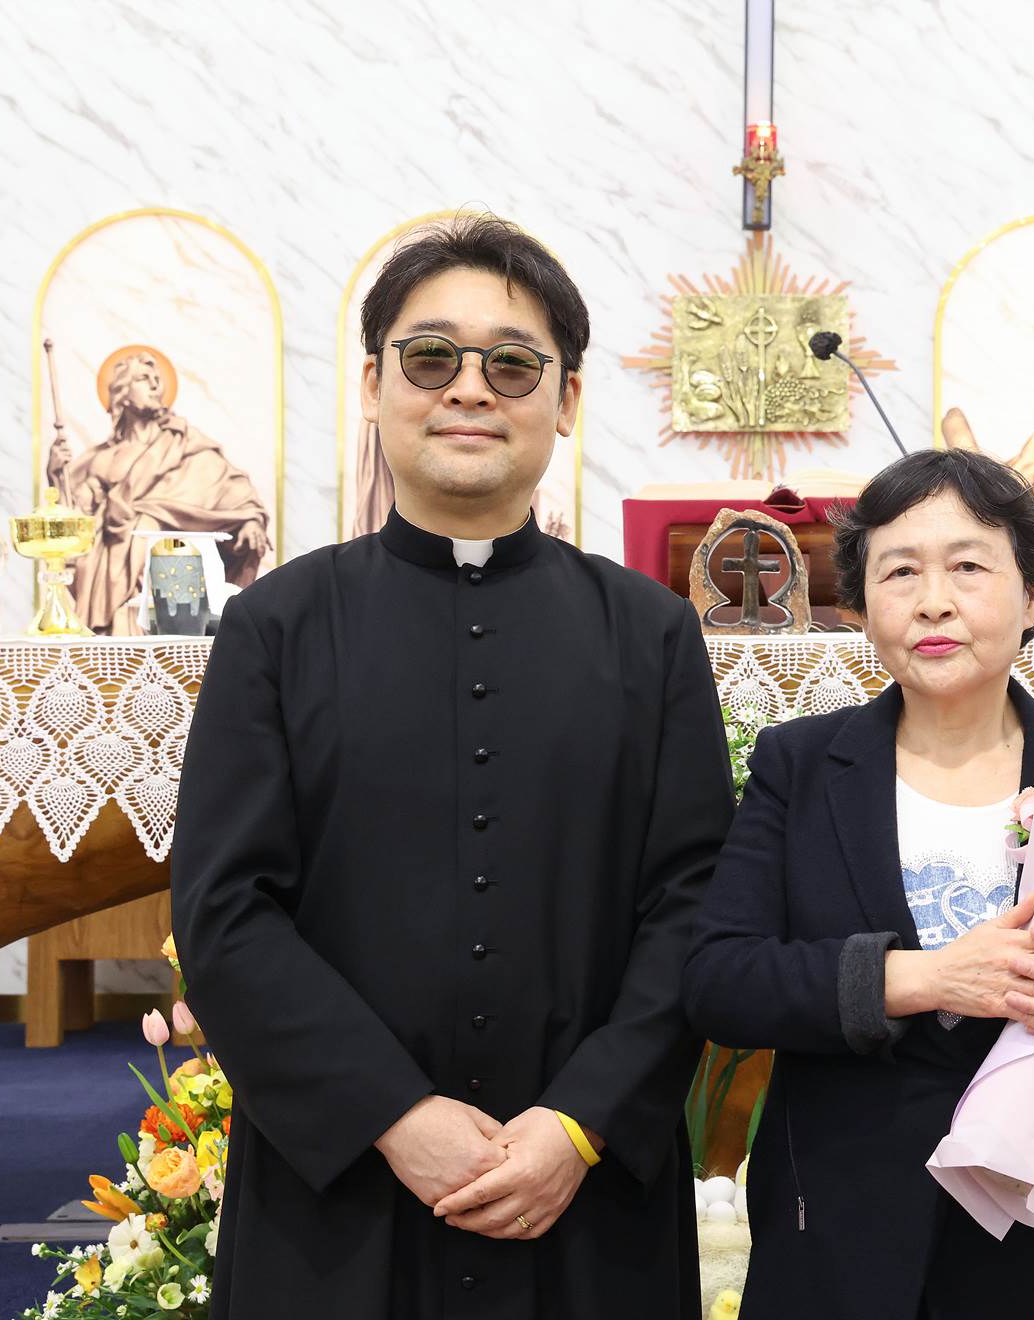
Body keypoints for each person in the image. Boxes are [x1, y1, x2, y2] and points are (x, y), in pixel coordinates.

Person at [171, 212, 735, 1319]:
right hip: (342, 1188)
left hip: (584, 1192)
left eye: (512, 365)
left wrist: (578, 1123)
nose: (469, 390)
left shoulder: (650, 633)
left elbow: (695, 903)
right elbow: (225, 910)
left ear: (566, 400)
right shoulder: (277, 628)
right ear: (373, 385)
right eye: (431, 359)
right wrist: (392, 1114)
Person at [684, 448, 1034, 1319]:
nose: (934, 600)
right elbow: (721, 981)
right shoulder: (802, 767)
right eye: (900, 572)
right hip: (841, 1231)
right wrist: (923, 977)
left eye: (969, 566)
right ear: (860, 610)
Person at [47, 350, 272, 635]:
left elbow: (227, 484)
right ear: (122, 394)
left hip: (172, 590)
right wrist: (56, 474)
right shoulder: (100, 459)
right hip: (109, 583)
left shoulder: (182, 443)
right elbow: (73, 526)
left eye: (157, 379)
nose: (155, 385)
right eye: (144, 378)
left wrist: (251, 520)